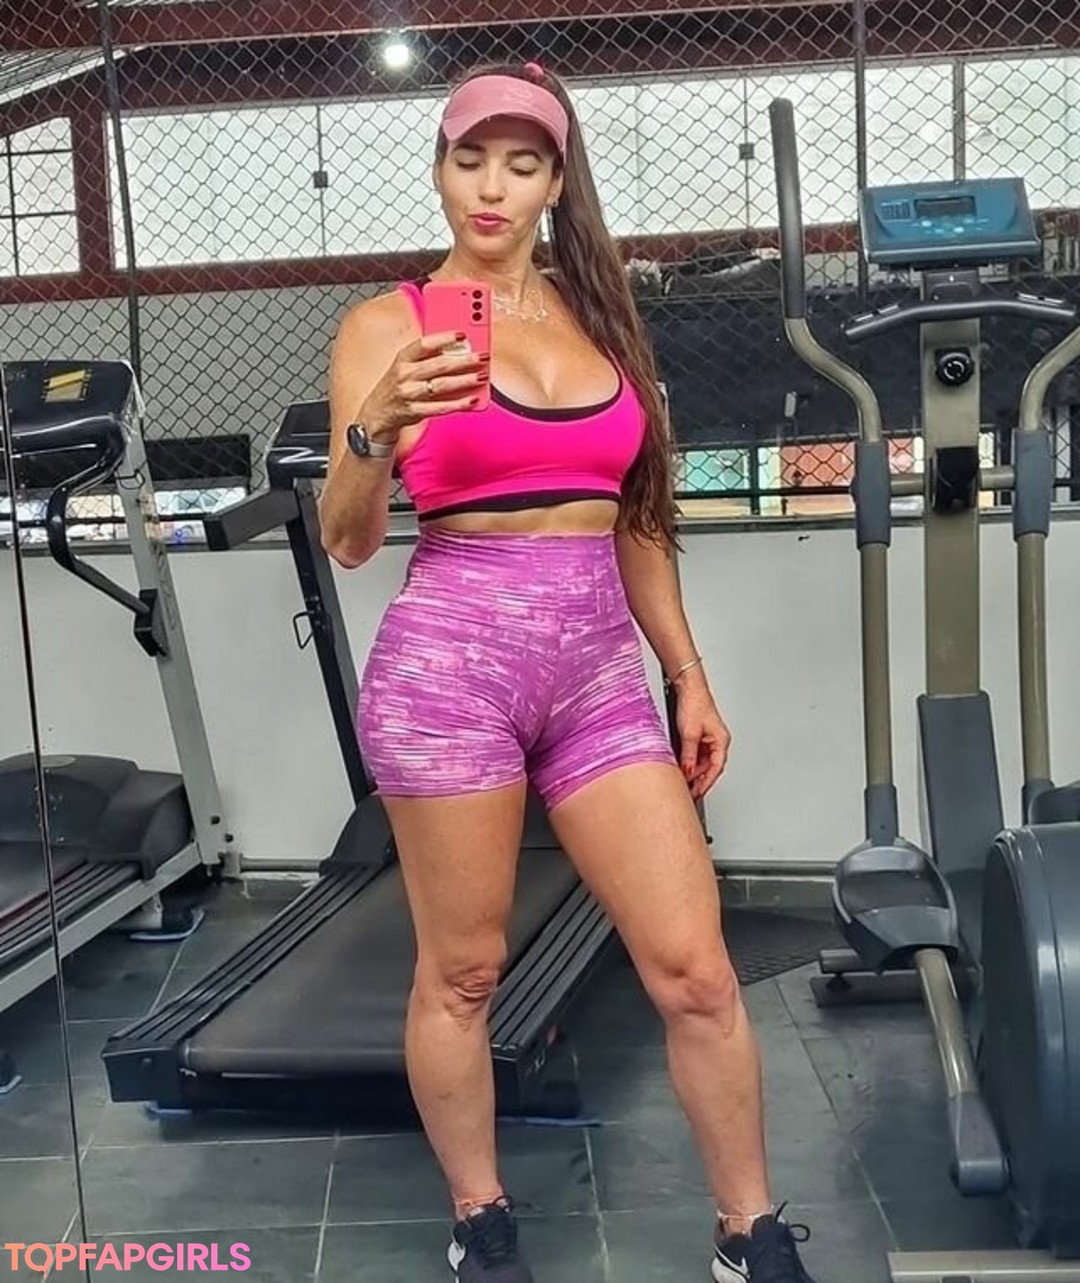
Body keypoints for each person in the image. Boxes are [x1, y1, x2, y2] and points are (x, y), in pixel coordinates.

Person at [319, 60, 818, 1283]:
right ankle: (479, 1214)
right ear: (440, 171)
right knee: (464, 969)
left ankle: (749, 1230)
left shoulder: (602, 316)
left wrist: (687, 672)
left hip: (597, 678)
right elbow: (348, 538)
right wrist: (374, 428)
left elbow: (637, 518)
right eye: (470, 158)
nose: (492, 186)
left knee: (695, 969)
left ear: (554, 182)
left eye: (522, 162)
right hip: (451, 673)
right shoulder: (386, 326)